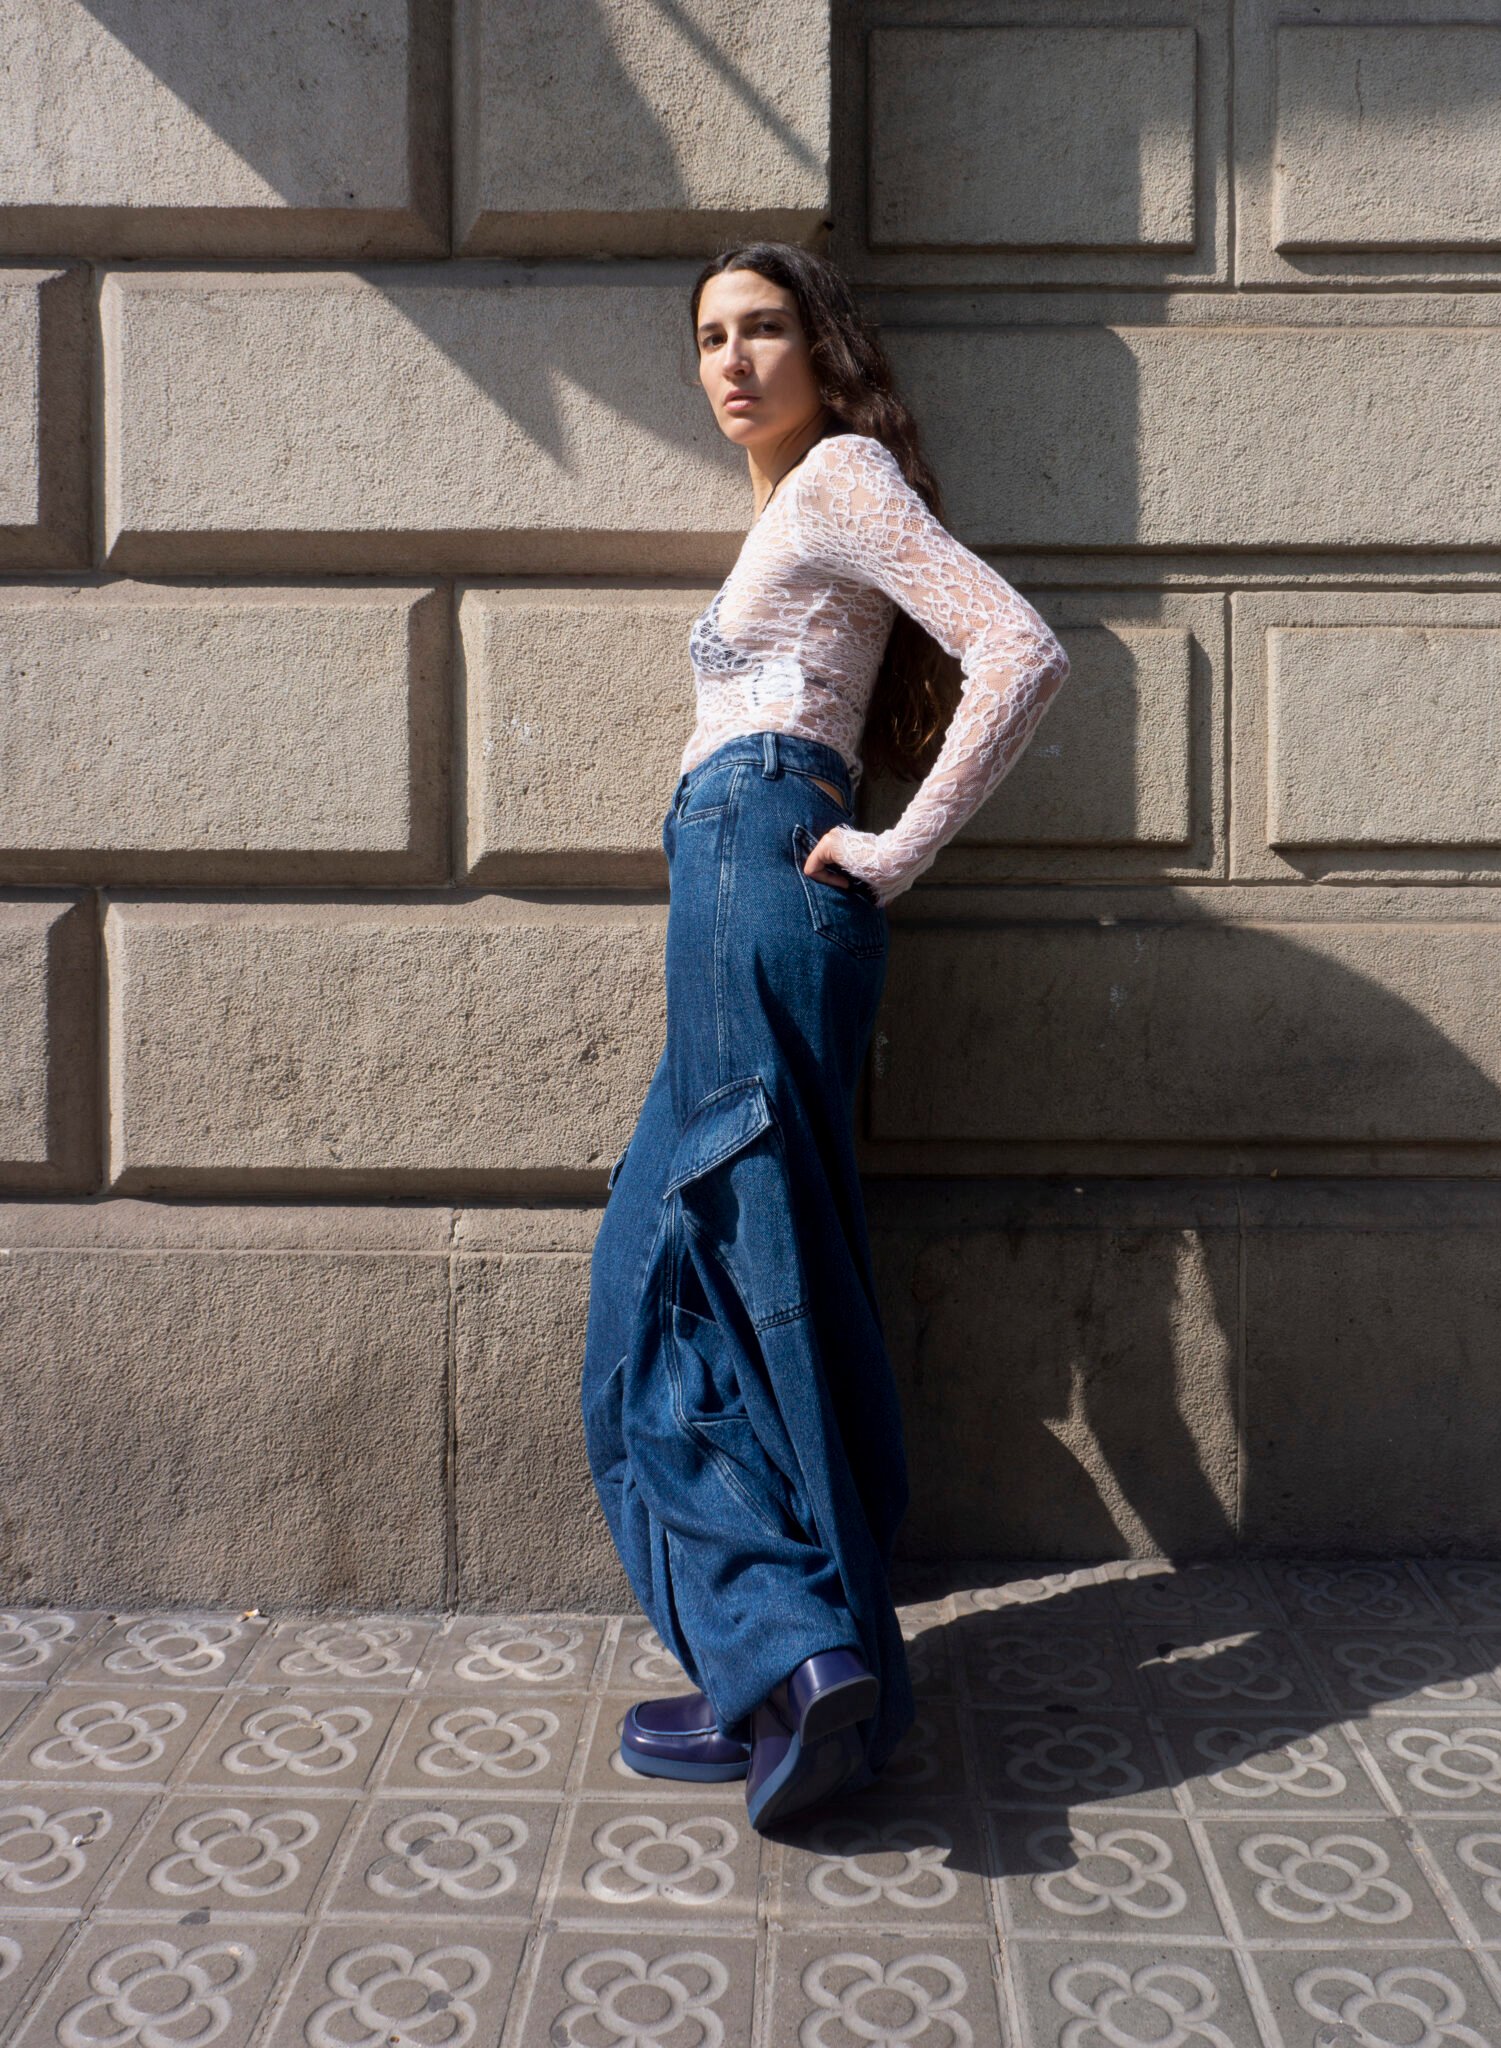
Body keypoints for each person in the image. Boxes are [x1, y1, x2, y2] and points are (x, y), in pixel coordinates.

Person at [581, 242, 1069, 1832]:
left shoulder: (843, 474)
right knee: (711, 1272)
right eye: (711, 336)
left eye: (765, 327)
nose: (731, 360)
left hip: (759, 861)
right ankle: (793, 1667)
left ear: (821, 346)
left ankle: (792, 1666)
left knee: (695, 1279)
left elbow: (1021, 650)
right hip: (738, 883)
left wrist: (890, 848)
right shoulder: (790, 503)